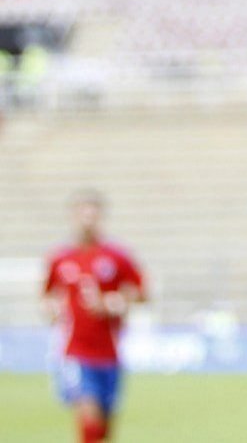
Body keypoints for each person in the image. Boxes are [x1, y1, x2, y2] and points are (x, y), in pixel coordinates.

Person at [42, 189, 145, 443]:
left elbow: (140, 292)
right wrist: (52, 310)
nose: (87, 220)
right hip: (75, 352)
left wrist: (115, 302)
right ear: (73, 217)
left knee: (104, 431)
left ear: (100, 217)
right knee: (89, 420)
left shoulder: (116, 257)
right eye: (82, 214)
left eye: (93, 214)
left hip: (109, 353)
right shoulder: (60, 258)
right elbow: (47, 295)